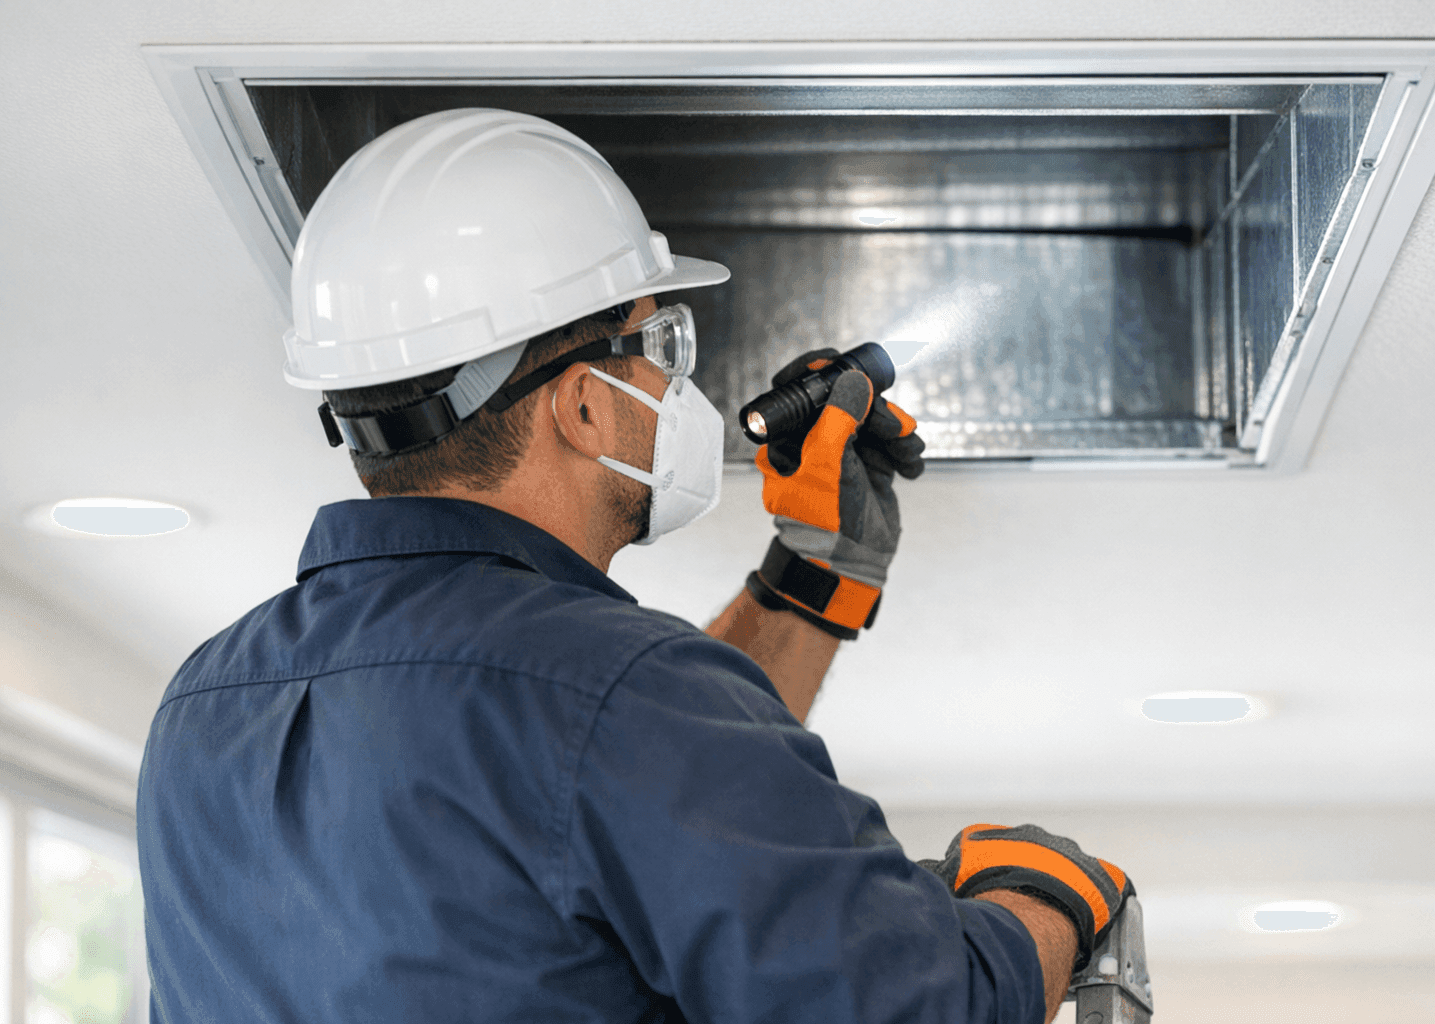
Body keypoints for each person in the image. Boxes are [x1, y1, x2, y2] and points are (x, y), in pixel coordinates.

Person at [138, 108, 1134, 1023]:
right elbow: (910, 1005)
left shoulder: (201, 711)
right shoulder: (612, 694)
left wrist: (812, 579)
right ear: (579, 405)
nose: (672, 380)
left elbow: (614, 802)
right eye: (660, 340)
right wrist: (1041, 896)